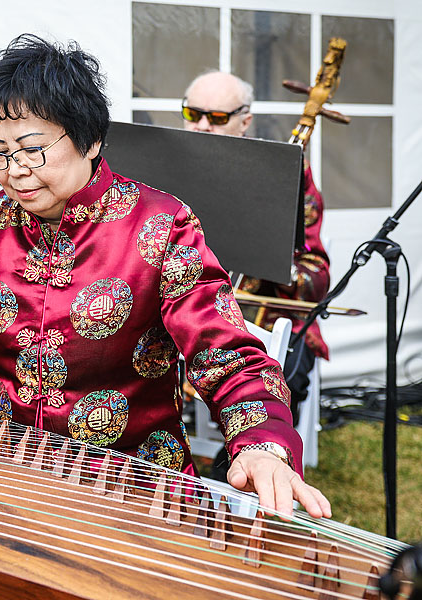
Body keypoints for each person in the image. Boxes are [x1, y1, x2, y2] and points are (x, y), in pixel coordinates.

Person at [0, 35, 331, 519]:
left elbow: (224, 351)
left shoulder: (161, 226)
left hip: (134, 486)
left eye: (32, 149)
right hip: (8, 471)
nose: (15, 171)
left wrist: (263, 442)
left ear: (91, 139)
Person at [182, 71, 331, 477]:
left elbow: (317, 275)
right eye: (193, 114)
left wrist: (273, 256)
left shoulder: (287, 173)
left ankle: (244, 468)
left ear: (244, 120)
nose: (202, 126)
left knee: (286, 369)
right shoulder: (167, 168)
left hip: (266, 314)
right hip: (183, 309)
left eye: (216, 117)